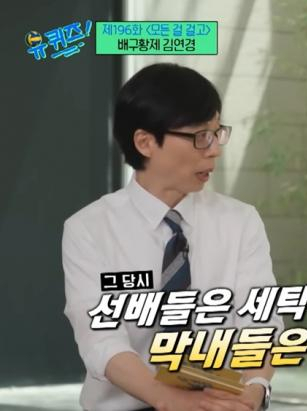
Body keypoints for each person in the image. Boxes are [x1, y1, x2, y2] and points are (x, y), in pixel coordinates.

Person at [62, 63, 282, 411]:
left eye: (217, 133)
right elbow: (100, 340)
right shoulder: (89, 229)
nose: (214, 149)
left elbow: (261, 323)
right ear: (146, 142)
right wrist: (171, 400)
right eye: (200, 137)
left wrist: (254, 391)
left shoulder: (241, 221)